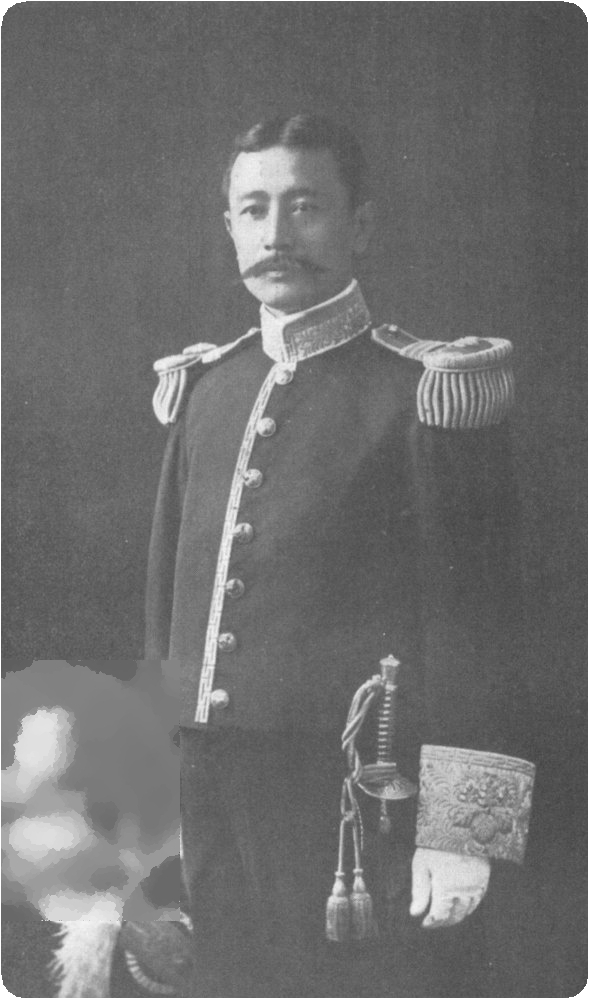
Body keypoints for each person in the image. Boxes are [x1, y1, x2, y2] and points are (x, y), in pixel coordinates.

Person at [136, 113, 536, 997]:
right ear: (229, 226)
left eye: (305, 206)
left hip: (356, 810)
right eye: (254, 209)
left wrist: (463, 832)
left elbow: (482, 630)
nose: (276, 233)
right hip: (208, 802)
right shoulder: (206, 389)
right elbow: (168, 615)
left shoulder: (424, 391)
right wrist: (156, 813)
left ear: (360, 224)